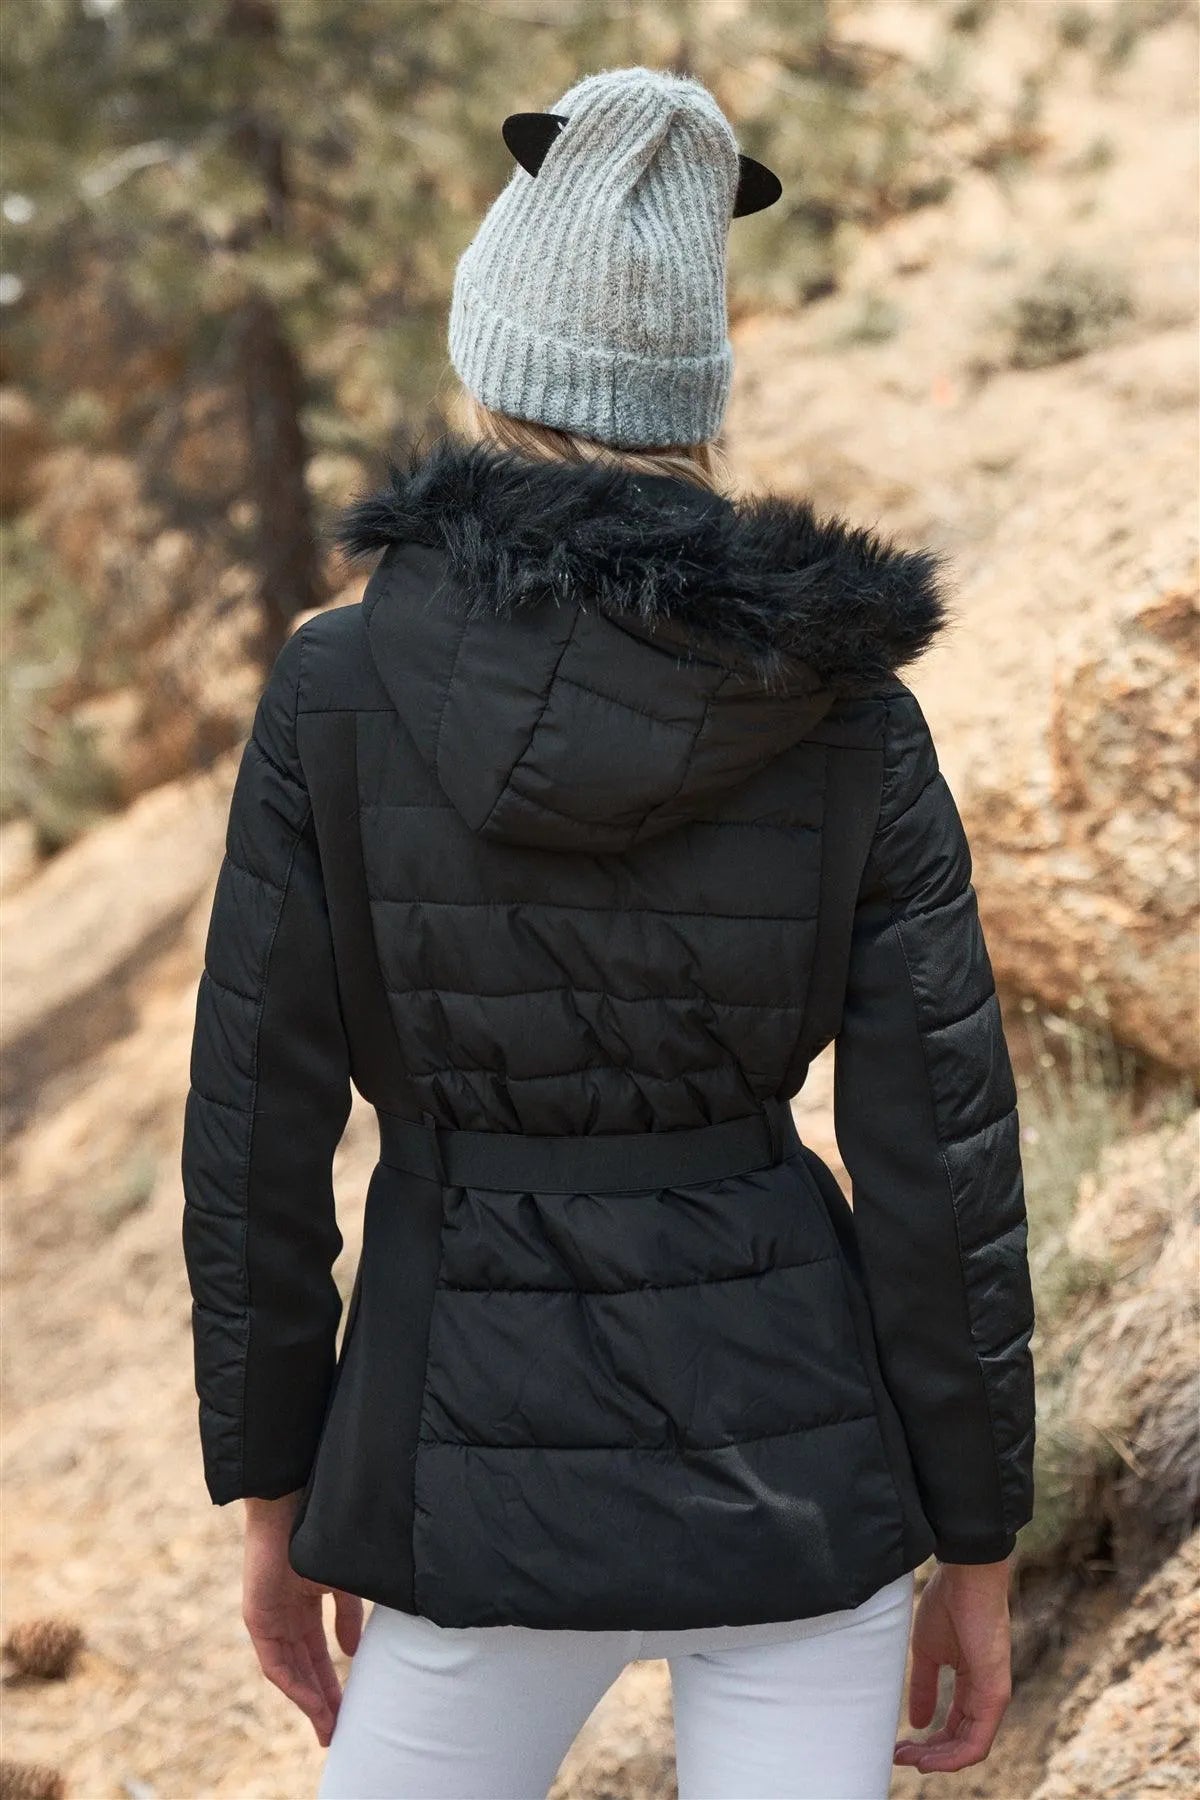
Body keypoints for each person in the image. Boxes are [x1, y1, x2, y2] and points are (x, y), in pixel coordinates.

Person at [180, 64, 1036, 1800]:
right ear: (693, 386)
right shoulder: (845, 712)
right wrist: (980, 1535)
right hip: (798, 1465)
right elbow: (941, 1154)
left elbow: (256, 1132)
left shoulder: (338, 688)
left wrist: (276, 1489)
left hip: (456, 1459)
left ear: (491, 358)